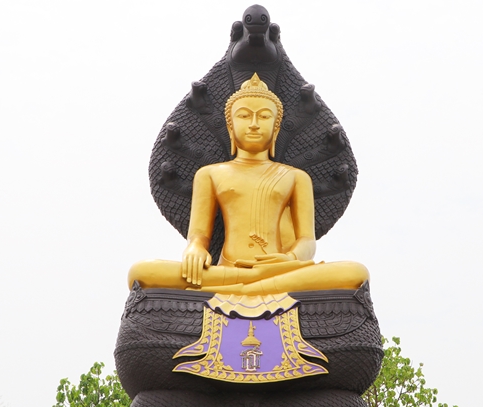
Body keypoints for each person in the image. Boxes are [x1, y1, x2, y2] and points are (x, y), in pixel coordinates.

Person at [126, 73, 369, 295]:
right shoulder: (209, 174)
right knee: (142, 272)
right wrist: (195, 251)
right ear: (230, 126)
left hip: (281, 269)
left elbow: (307, 241)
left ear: (275, 128)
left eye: (264, 116)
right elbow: (198, 237)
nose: (254, 123)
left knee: (356, 273)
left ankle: (249, 286)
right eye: (244, 115)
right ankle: (255, 285)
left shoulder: (296, 177)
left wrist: (291, 258)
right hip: (227, 269)